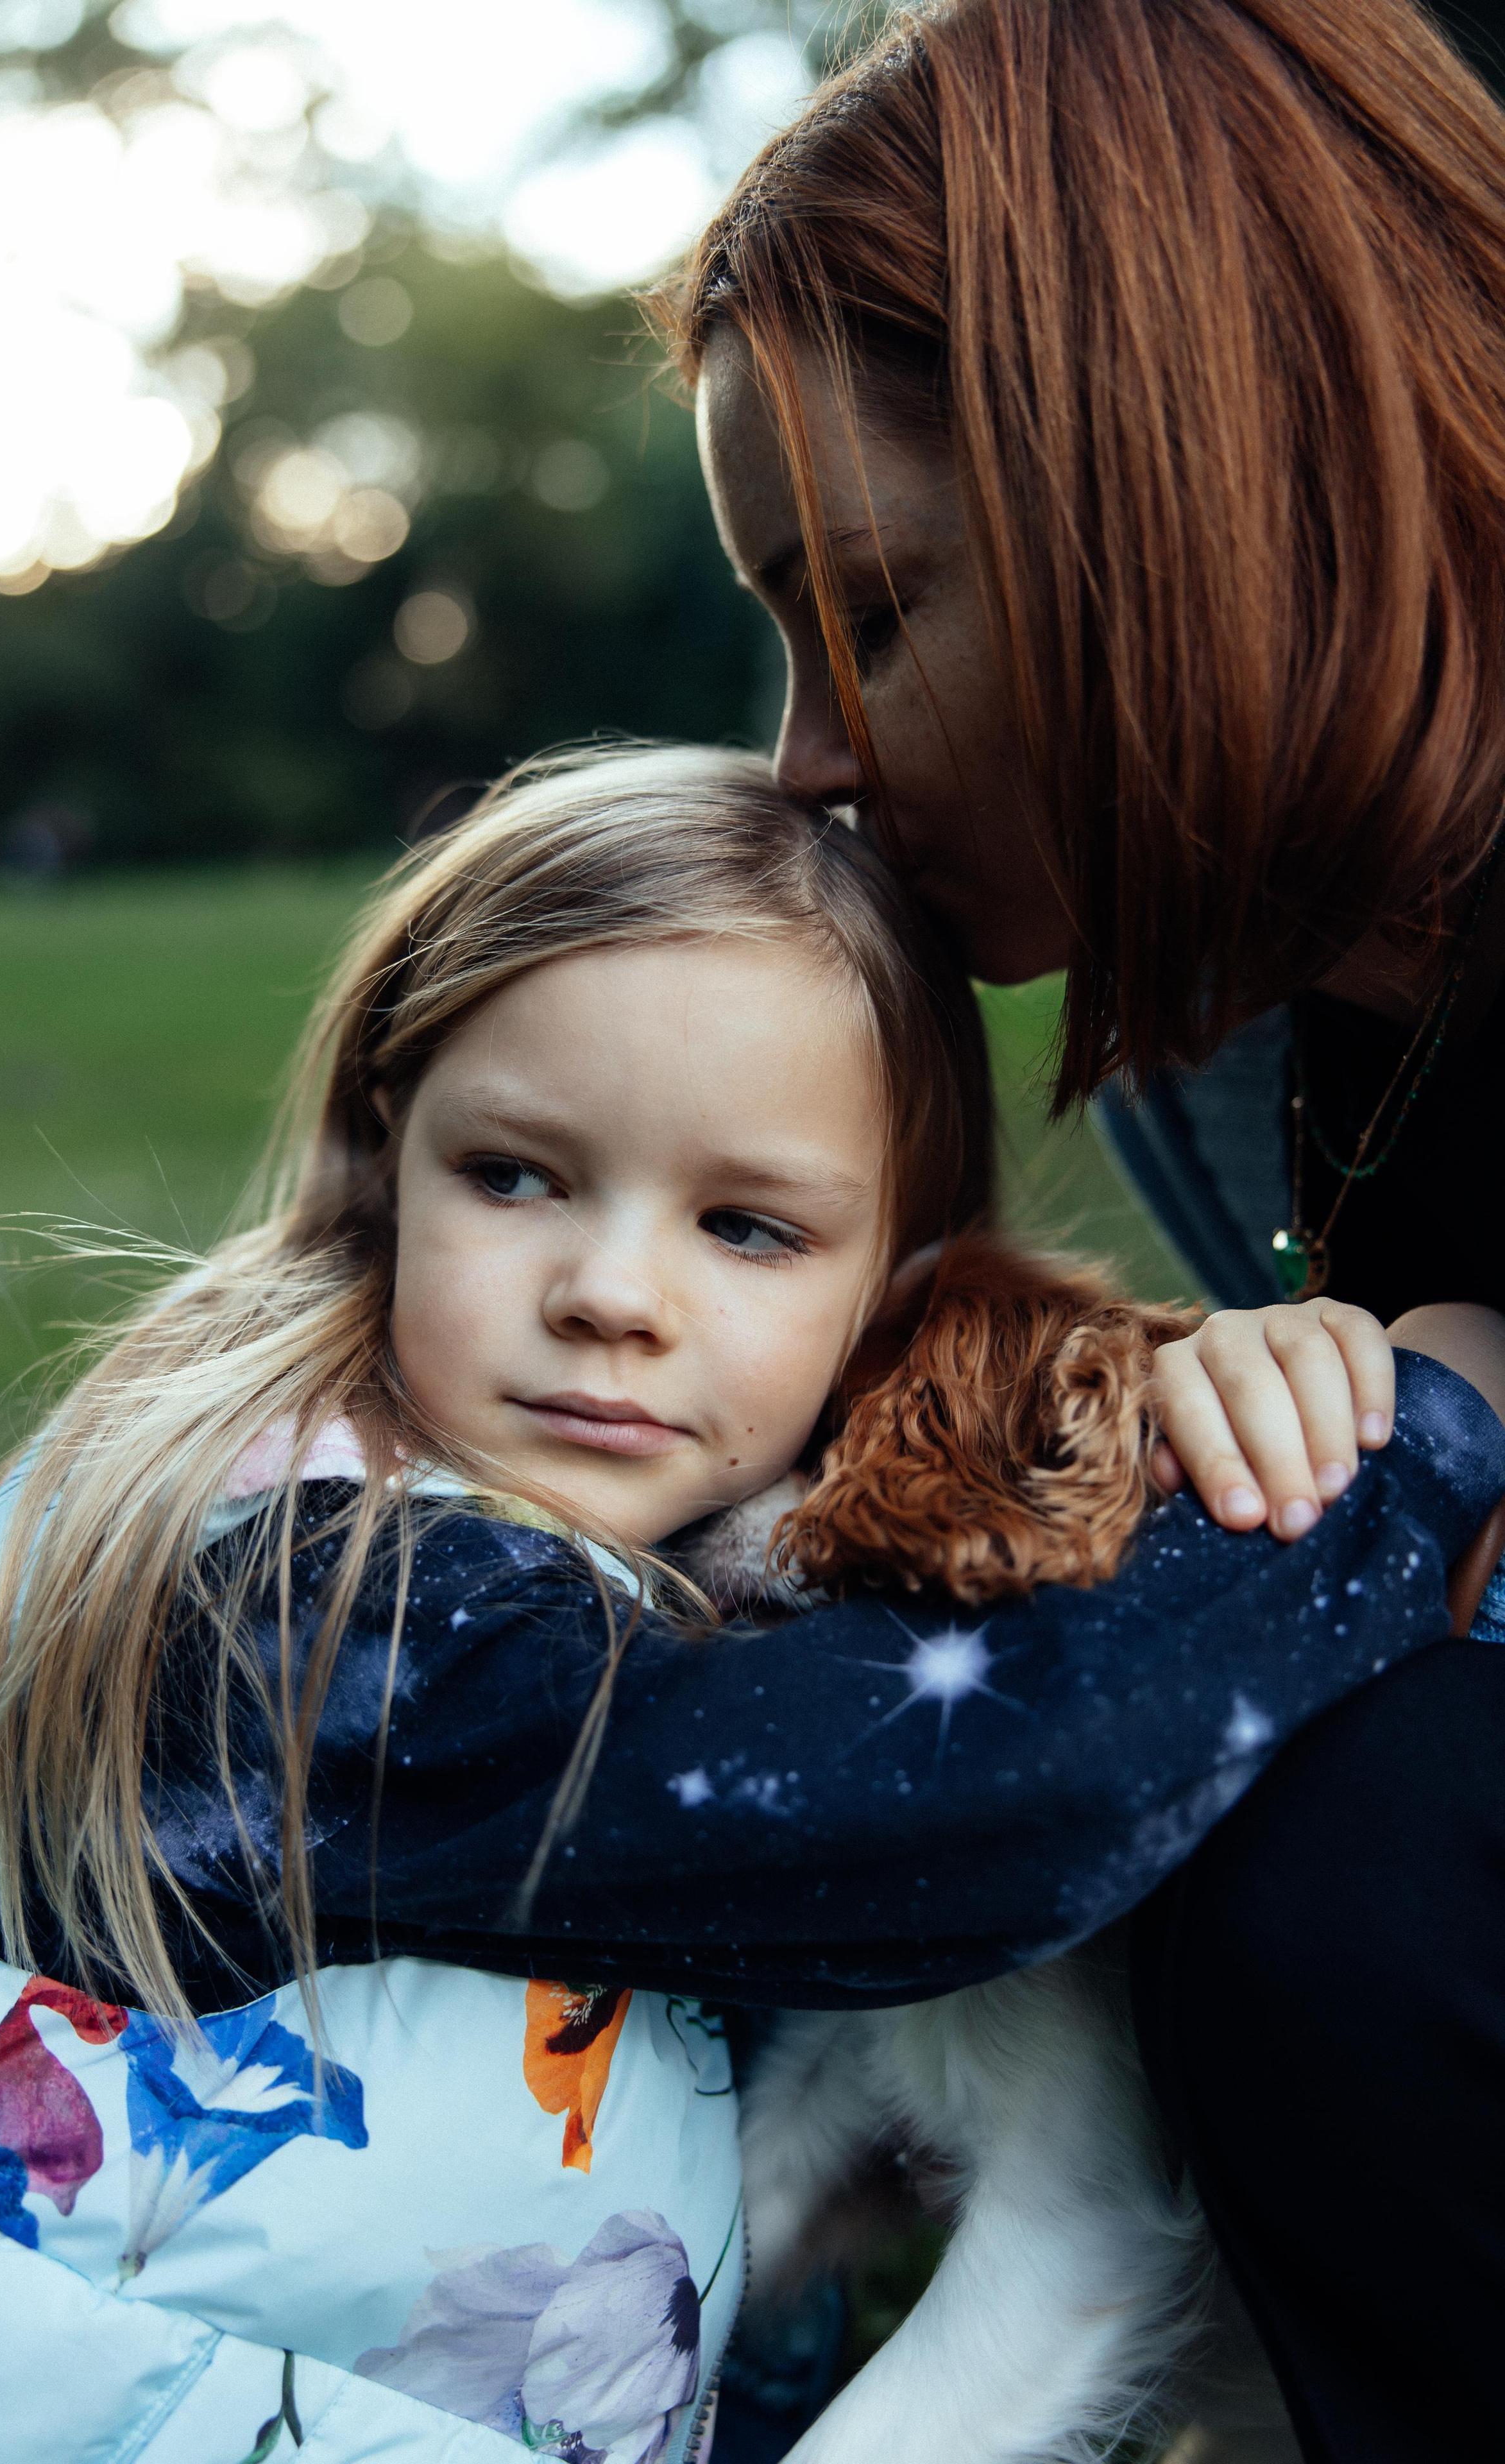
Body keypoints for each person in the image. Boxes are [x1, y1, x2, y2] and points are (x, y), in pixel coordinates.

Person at [0, 746, 1499, 2464]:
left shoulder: (419, 1518)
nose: (612, 1296)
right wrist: (1408, 1442)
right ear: (377, 1165)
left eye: (744, 1226)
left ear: (894, 1286)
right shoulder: (316, 1601)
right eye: (515, 1176)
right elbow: (977, 1796)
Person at [653, 2, 1505, 2451]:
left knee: (1366, 1851)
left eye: (874, 610)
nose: (807, 758)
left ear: (1183, 489)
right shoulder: (1261, 1041)